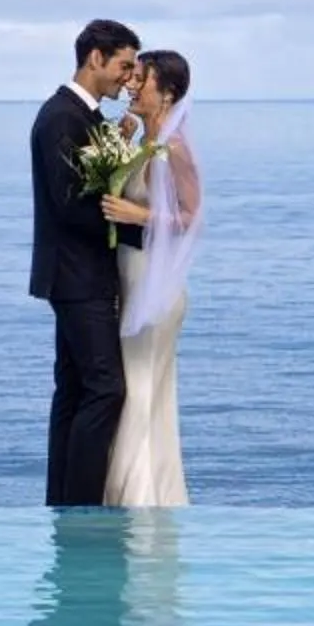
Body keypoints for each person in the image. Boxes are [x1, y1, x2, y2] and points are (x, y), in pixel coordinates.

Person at [31, 18, 140, 506]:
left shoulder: (87, 118)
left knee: (75, 390)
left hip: (79, 274)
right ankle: (83, 504)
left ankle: (66, 503)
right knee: (106, 389)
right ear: (95, 58)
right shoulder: (62, 117)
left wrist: (120, 145)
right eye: (123, 64)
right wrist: (141, 229)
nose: (129, 76)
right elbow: (73, 204)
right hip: (77, 275)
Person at [101, 50, 199, 507]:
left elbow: (192, 216)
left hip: (153, 285)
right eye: (133, 77)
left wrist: (138, 213)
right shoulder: (144, 141)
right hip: (129, 277)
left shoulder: (174, 146)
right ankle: (142, 491)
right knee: (137, 388)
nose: (133, 86)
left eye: (143, 79)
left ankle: (137, 498)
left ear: (168, 93)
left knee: (141, 388)